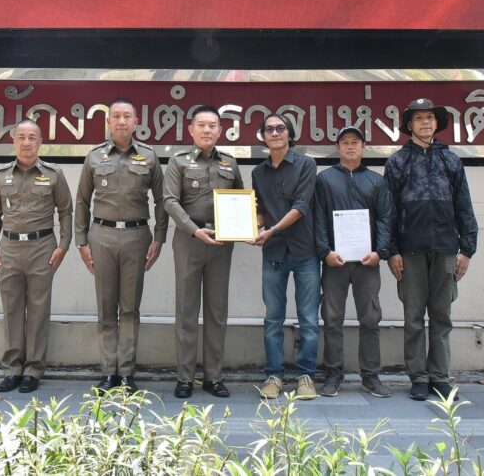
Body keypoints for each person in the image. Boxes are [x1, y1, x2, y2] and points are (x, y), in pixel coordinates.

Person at [384, 98, 478, 402]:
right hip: (409, 251)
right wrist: (391, 251)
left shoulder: (451, 161)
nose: (425, 122)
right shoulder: (397, 162)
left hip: (446, 249)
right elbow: (388, 211)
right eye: (419, 118)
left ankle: (439, 377)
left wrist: (467, 249)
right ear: (409, 125)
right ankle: (418, 377)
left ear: (437, 123)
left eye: (430, 118)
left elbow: (464, 206)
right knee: (413, 317)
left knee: (441, 316)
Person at [75, 98, 168, 393]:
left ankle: (126, 372)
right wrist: (81, 241)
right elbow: (82, 201)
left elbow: (162, 201)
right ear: (108, 122)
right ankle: (108, 372)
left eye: (127, 116)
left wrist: (159, 238)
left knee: (129, 308)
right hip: (101, 236)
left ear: (136, 122)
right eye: (116, 116)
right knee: (106, 307)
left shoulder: (149, 157)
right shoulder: (94, 157)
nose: (121, 121)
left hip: (136, 236)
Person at [0, 119, 73, 393]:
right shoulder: (0, 176)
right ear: (14, 141)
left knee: (38, 309)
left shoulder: (54, 174)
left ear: (40, 142)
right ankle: (12, 368)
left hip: (42, 248)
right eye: (21, 137)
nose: (26, 143)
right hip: (10, 248)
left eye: (32, 137)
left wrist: (64, 244)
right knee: (12, 308)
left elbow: (66, 211)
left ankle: (33, 370)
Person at [163, 105, 244, 399]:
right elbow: (169, 201)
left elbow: (240, 199)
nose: (207, 130)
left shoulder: (230, 163)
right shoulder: (178, 162)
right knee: (186, 310)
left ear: (220, 131)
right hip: (190, 240)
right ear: (191, 129)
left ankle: (213, 376)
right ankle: (185, 377)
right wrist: (193, 230)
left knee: (216, 310)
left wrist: (246, 226)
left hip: (221, 243)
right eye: (202, 125)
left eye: (212, 126)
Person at [313, 124, 394, 398]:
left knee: (370, 318)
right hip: (334, 261)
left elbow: (385, 219)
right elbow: (318, 218)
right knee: (331, 318)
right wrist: (325, 251)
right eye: (345, 142)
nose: (350, 146)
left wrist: (380, 252)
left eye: (355, 142)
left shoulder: (376, 181)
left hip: (366, 262)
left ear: (363, 147)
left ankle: (371, 376)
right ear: (337, 147)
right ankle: (333, 374)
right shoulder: (324, 180)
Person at [250, 112, 320, 400]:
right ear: (263, 136)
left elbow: (301, 207)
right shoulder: (258, 173)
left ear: (290, 134)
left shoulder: (306, 164)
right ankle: (274, 376)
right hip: (274, 253)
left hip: (304, 251)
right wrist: (251, 226)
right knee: (273, 318)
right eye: (269, 129)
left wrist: (271, 230)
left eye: (281, 128)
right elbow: (260, 211)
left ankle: (306, 377)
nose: (275, 133)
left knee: (309, 319)